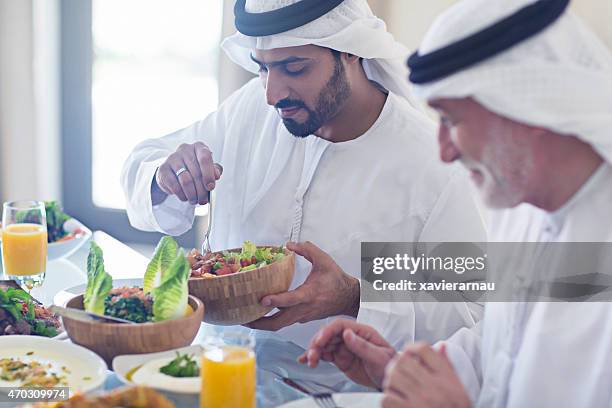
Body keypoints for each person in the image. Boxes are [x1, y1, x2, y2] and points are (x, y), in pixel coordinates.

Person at [299, 0, 612, 406]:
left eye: (452, 120)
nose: (444, 151)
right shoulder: (522, 208)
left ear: (527, 111)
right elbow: (503, 349)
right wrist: (401, 371)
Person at [121, 0, 485, 347]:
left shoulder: (431, 165)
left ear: (350, 50)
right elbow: (142, 161)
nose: (271, 94)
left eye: (295, 68)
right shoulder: (250, 108)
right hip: (222, 364)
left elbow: (474, 310)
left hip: (345, 390)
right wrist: (165, 175)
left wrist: (355, 298)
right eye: (262, 68)